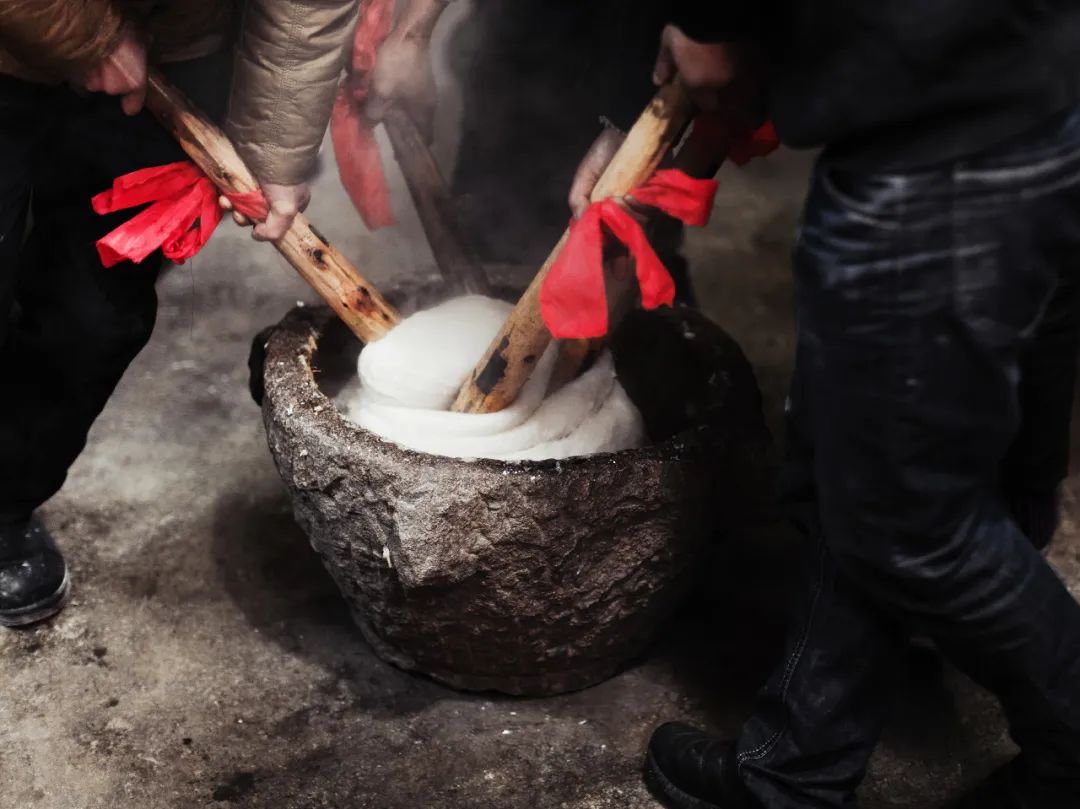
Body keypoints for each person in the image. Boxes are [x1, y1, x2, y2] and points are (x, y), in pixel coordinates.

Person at [570, 6, 1080, 809]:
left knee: (909, 521)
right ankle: (795, 772)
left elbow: (711, 54)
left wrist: (707, 20)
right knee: (865, 458)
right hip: (1022, 85)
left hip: (945, 130)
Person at [0, 0, 358, 627]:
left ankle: (4, 501)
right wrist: (89, 34)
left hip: (169, 58)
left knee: (94, 319)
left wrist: (276, 147)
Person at [363, 0, 694, 300]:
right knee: (492, 211)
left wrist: (632, 113)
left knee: (625, 231)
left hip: (633, 31)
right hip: (521, 28)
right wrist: (412, 33)